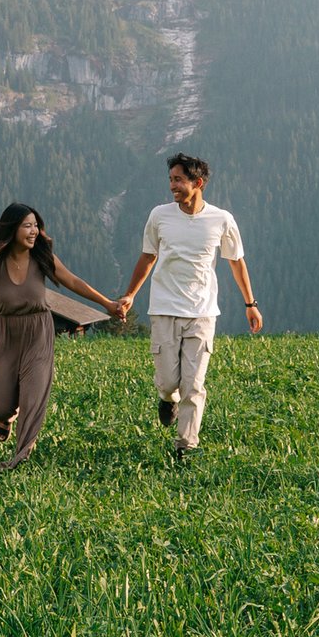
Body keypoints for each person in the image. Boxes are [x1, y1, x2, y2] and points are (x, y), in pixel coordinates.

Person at [0, 202, 128, 468]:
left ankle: (21, 455)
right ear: (12, 229)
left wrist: (107, 304)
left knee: (33, 395)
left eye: (35, 226)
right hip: (5, 334)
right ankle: (5, 418)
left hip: (38, 333)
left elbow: (73, 281)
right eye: (27, 226)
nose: (34, 232)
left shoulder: (42, 260)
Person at [117, 152, 257, 459]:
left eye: (178, 180)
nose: (172, 186)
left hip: (203, 313)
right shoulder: (159, 216)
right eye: (171, 180)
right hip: (164, 308)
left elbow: (236, 261)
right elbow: (148, 256)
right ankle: (167, 399)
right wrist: (130, 294)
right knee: (169, 382)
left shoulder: (221, 220)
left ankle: (185, 447)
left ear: (198, 183)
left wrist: (250, 303)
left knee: (194, 385)